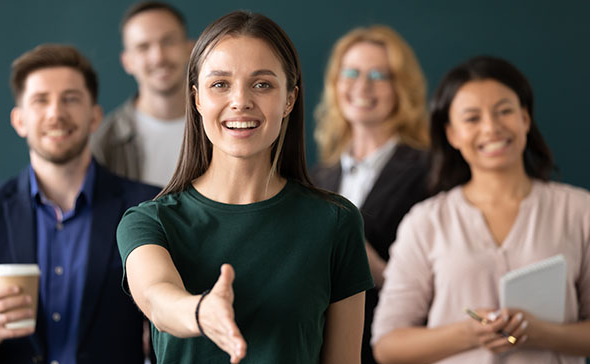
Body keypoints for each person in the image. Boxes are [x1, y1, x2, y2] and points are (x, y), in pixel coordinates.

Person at [117, 10, 374, 364]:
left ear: (289, 99)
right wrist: (200, 312)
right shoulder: (149, 221)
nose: (240, 100)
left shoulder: (336, 222)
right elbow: (158, 299)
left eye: (262, 84)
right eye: (220, 84)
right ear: (196, 99)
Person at [0, 44, 161, 364]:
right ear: (19, 120)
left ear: (95, 116)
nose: (55, 113)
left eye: (71, 99)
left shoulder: (145, 205)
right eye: (40, 100)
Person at [372, 56, 590, 363]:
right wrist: (471, 333)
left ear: (525, 119)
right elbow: (388, 345)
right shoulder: (425, 221)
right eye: (472, 118)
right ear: (452, 134)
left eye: (504, 111)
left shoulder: (580, 211)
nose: (491, 127)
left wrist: (541, 332)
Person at [309, 25, 429, 363]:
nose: (362, 86)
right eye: (351, 73)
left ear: (401, 87)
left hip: (391, 348)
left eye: (379, 75)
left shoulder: (431, 171)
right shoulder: (318, 176)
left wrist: (361, 254)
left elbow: (442, 285)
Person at [90, 1, 192, 187]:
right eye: (143, 47)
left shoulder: (222, 126)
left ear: (189, 49)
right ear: (127, 62)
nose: (158, 57)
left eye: (168, 41)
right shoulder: (104, 143)